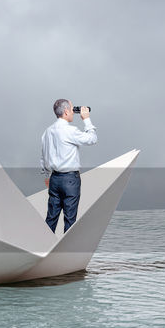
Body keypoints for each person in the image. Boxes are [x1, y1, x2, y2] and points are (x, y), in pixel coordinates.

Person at [40, 98, 96, 233]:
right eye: (72, 110)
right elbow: (92, 139)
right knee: (70, 219)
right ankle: (66, 252)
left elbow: (43, 156)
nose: (73, 112)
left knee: (51, 217)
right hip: (70, 180)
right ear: (65, 112)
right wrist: (86, 119)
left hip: (54, 179)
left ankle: (44, 248)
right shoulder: (70, 130)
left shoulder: (47, 131)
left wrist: (47, 176)